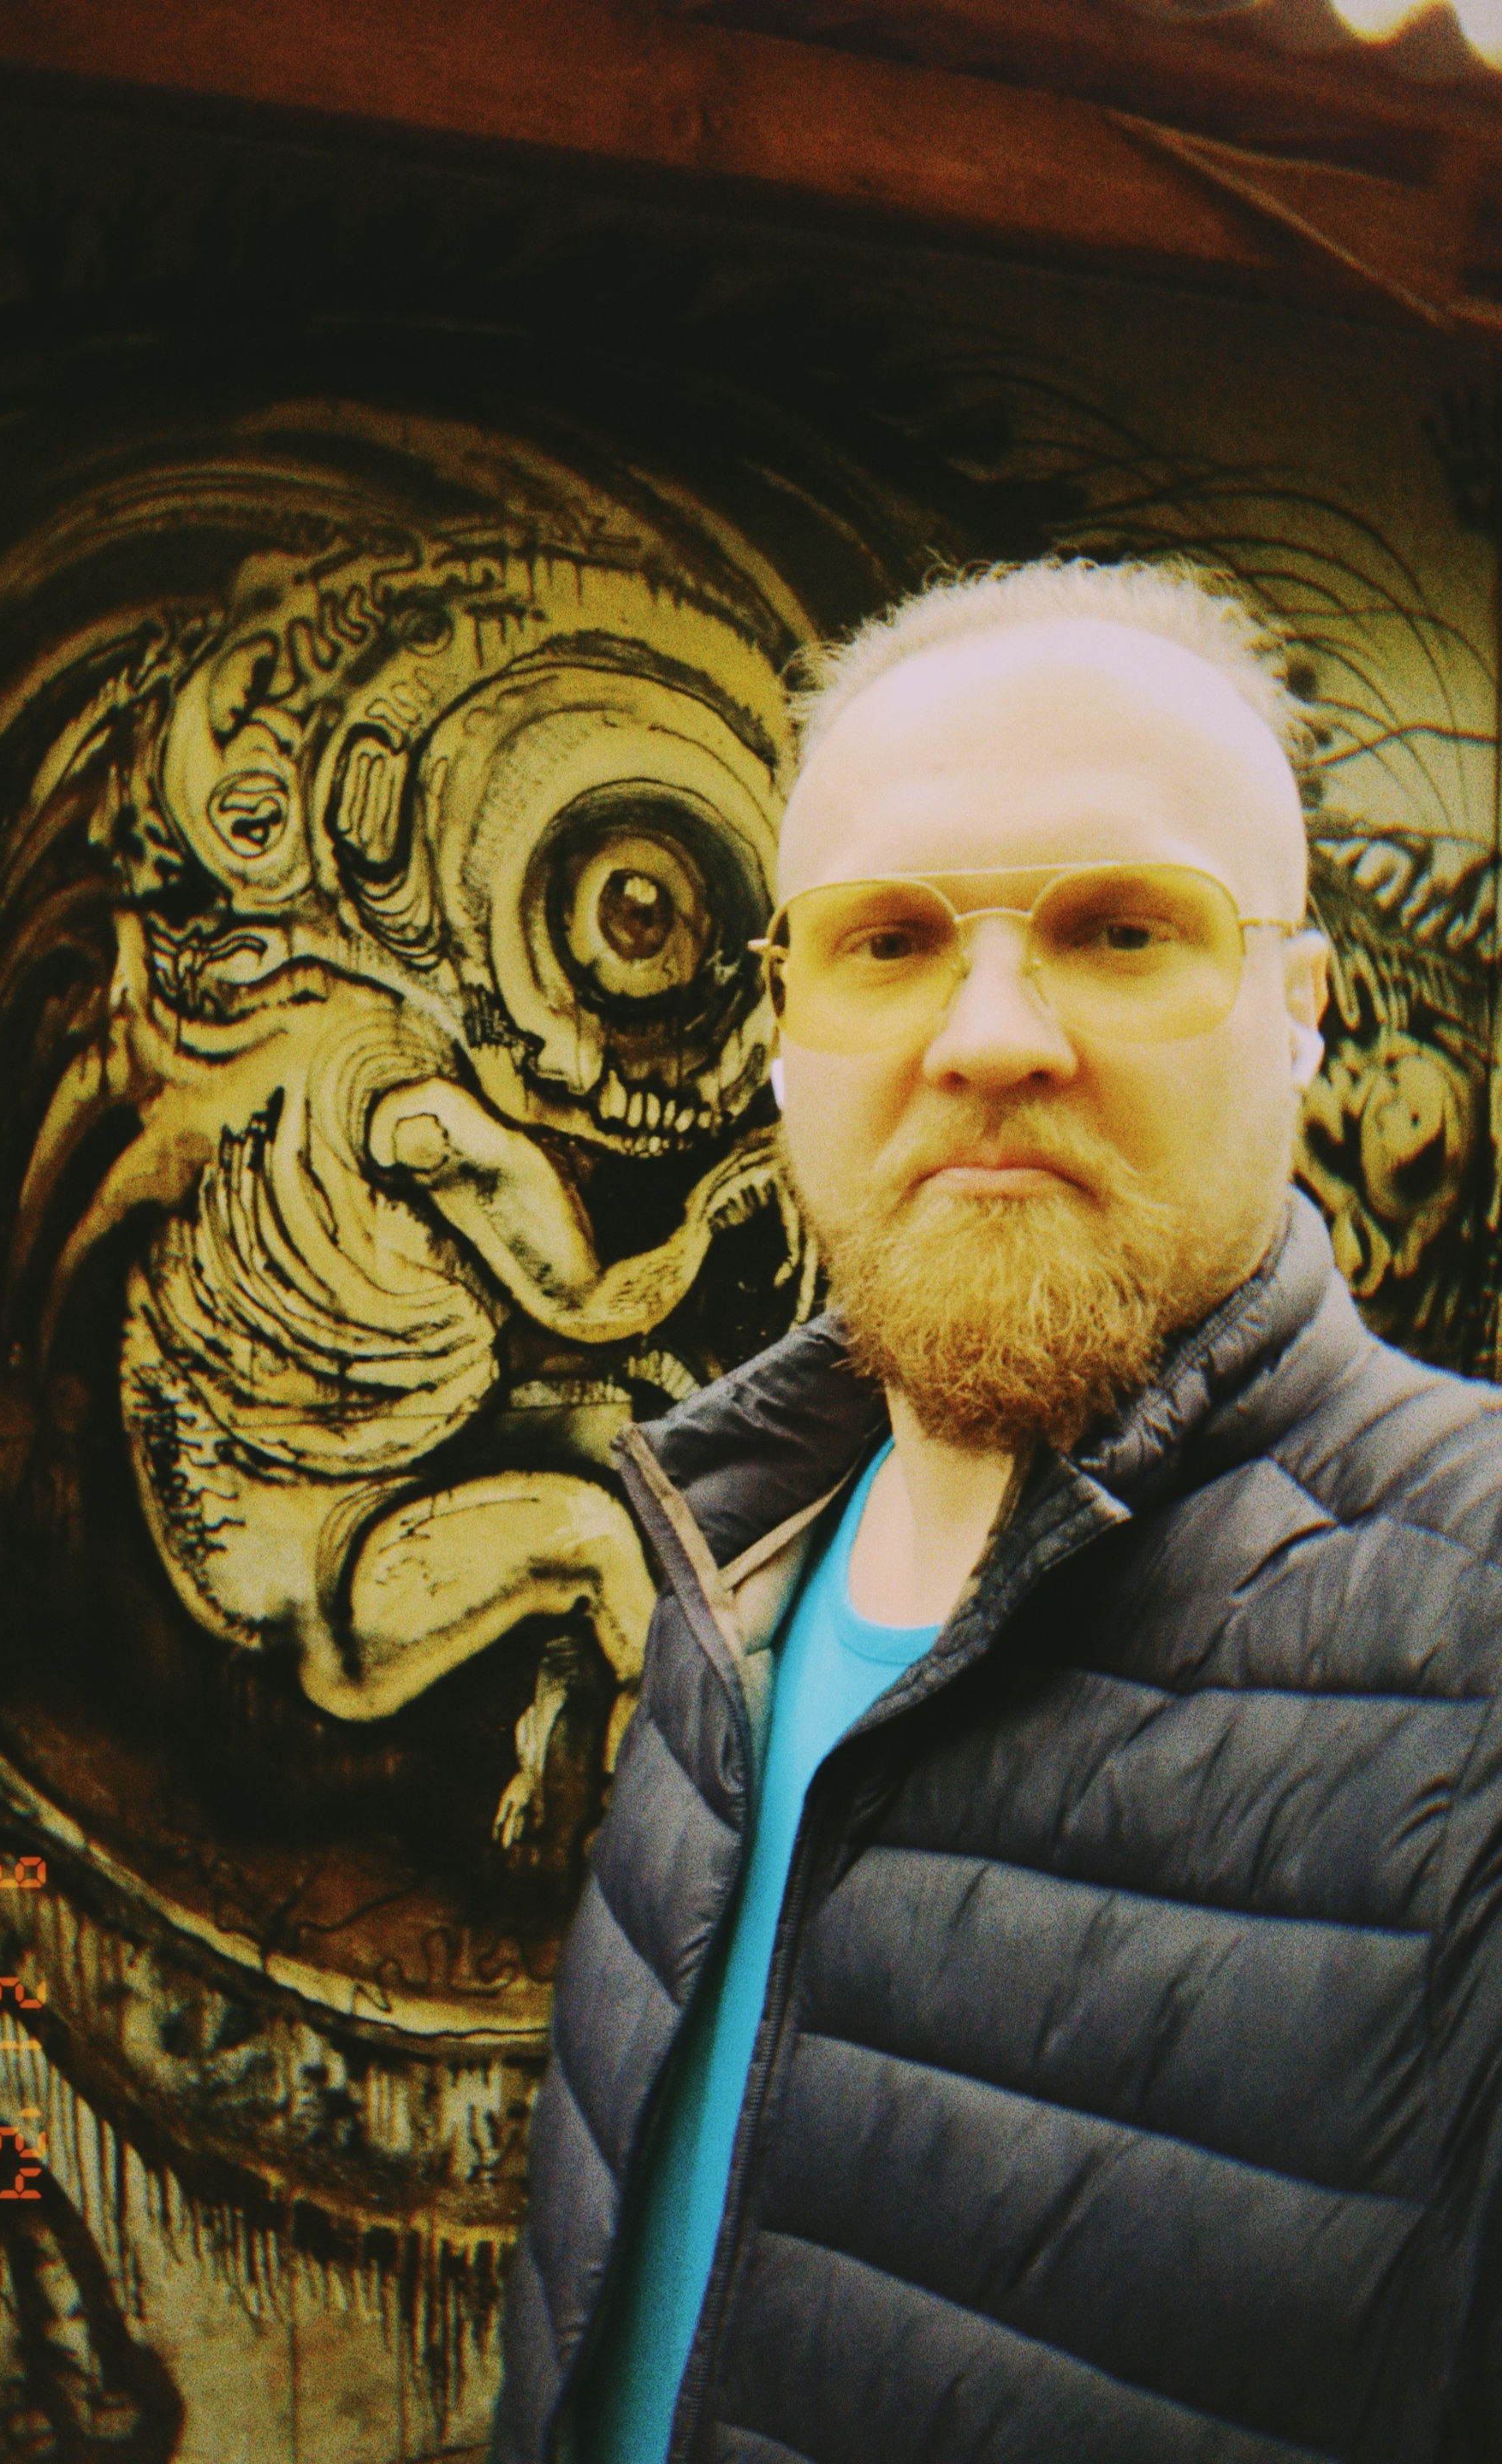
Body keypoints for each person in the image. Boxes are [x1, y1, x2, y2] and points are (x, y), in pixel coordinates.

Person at [492, 559, 1502, 2464]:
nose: (989, 1036)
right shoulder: (729, 1565)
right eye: (886, 942)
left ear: (1302, 1013)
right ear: (781, 1023)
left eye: (1122, 931)